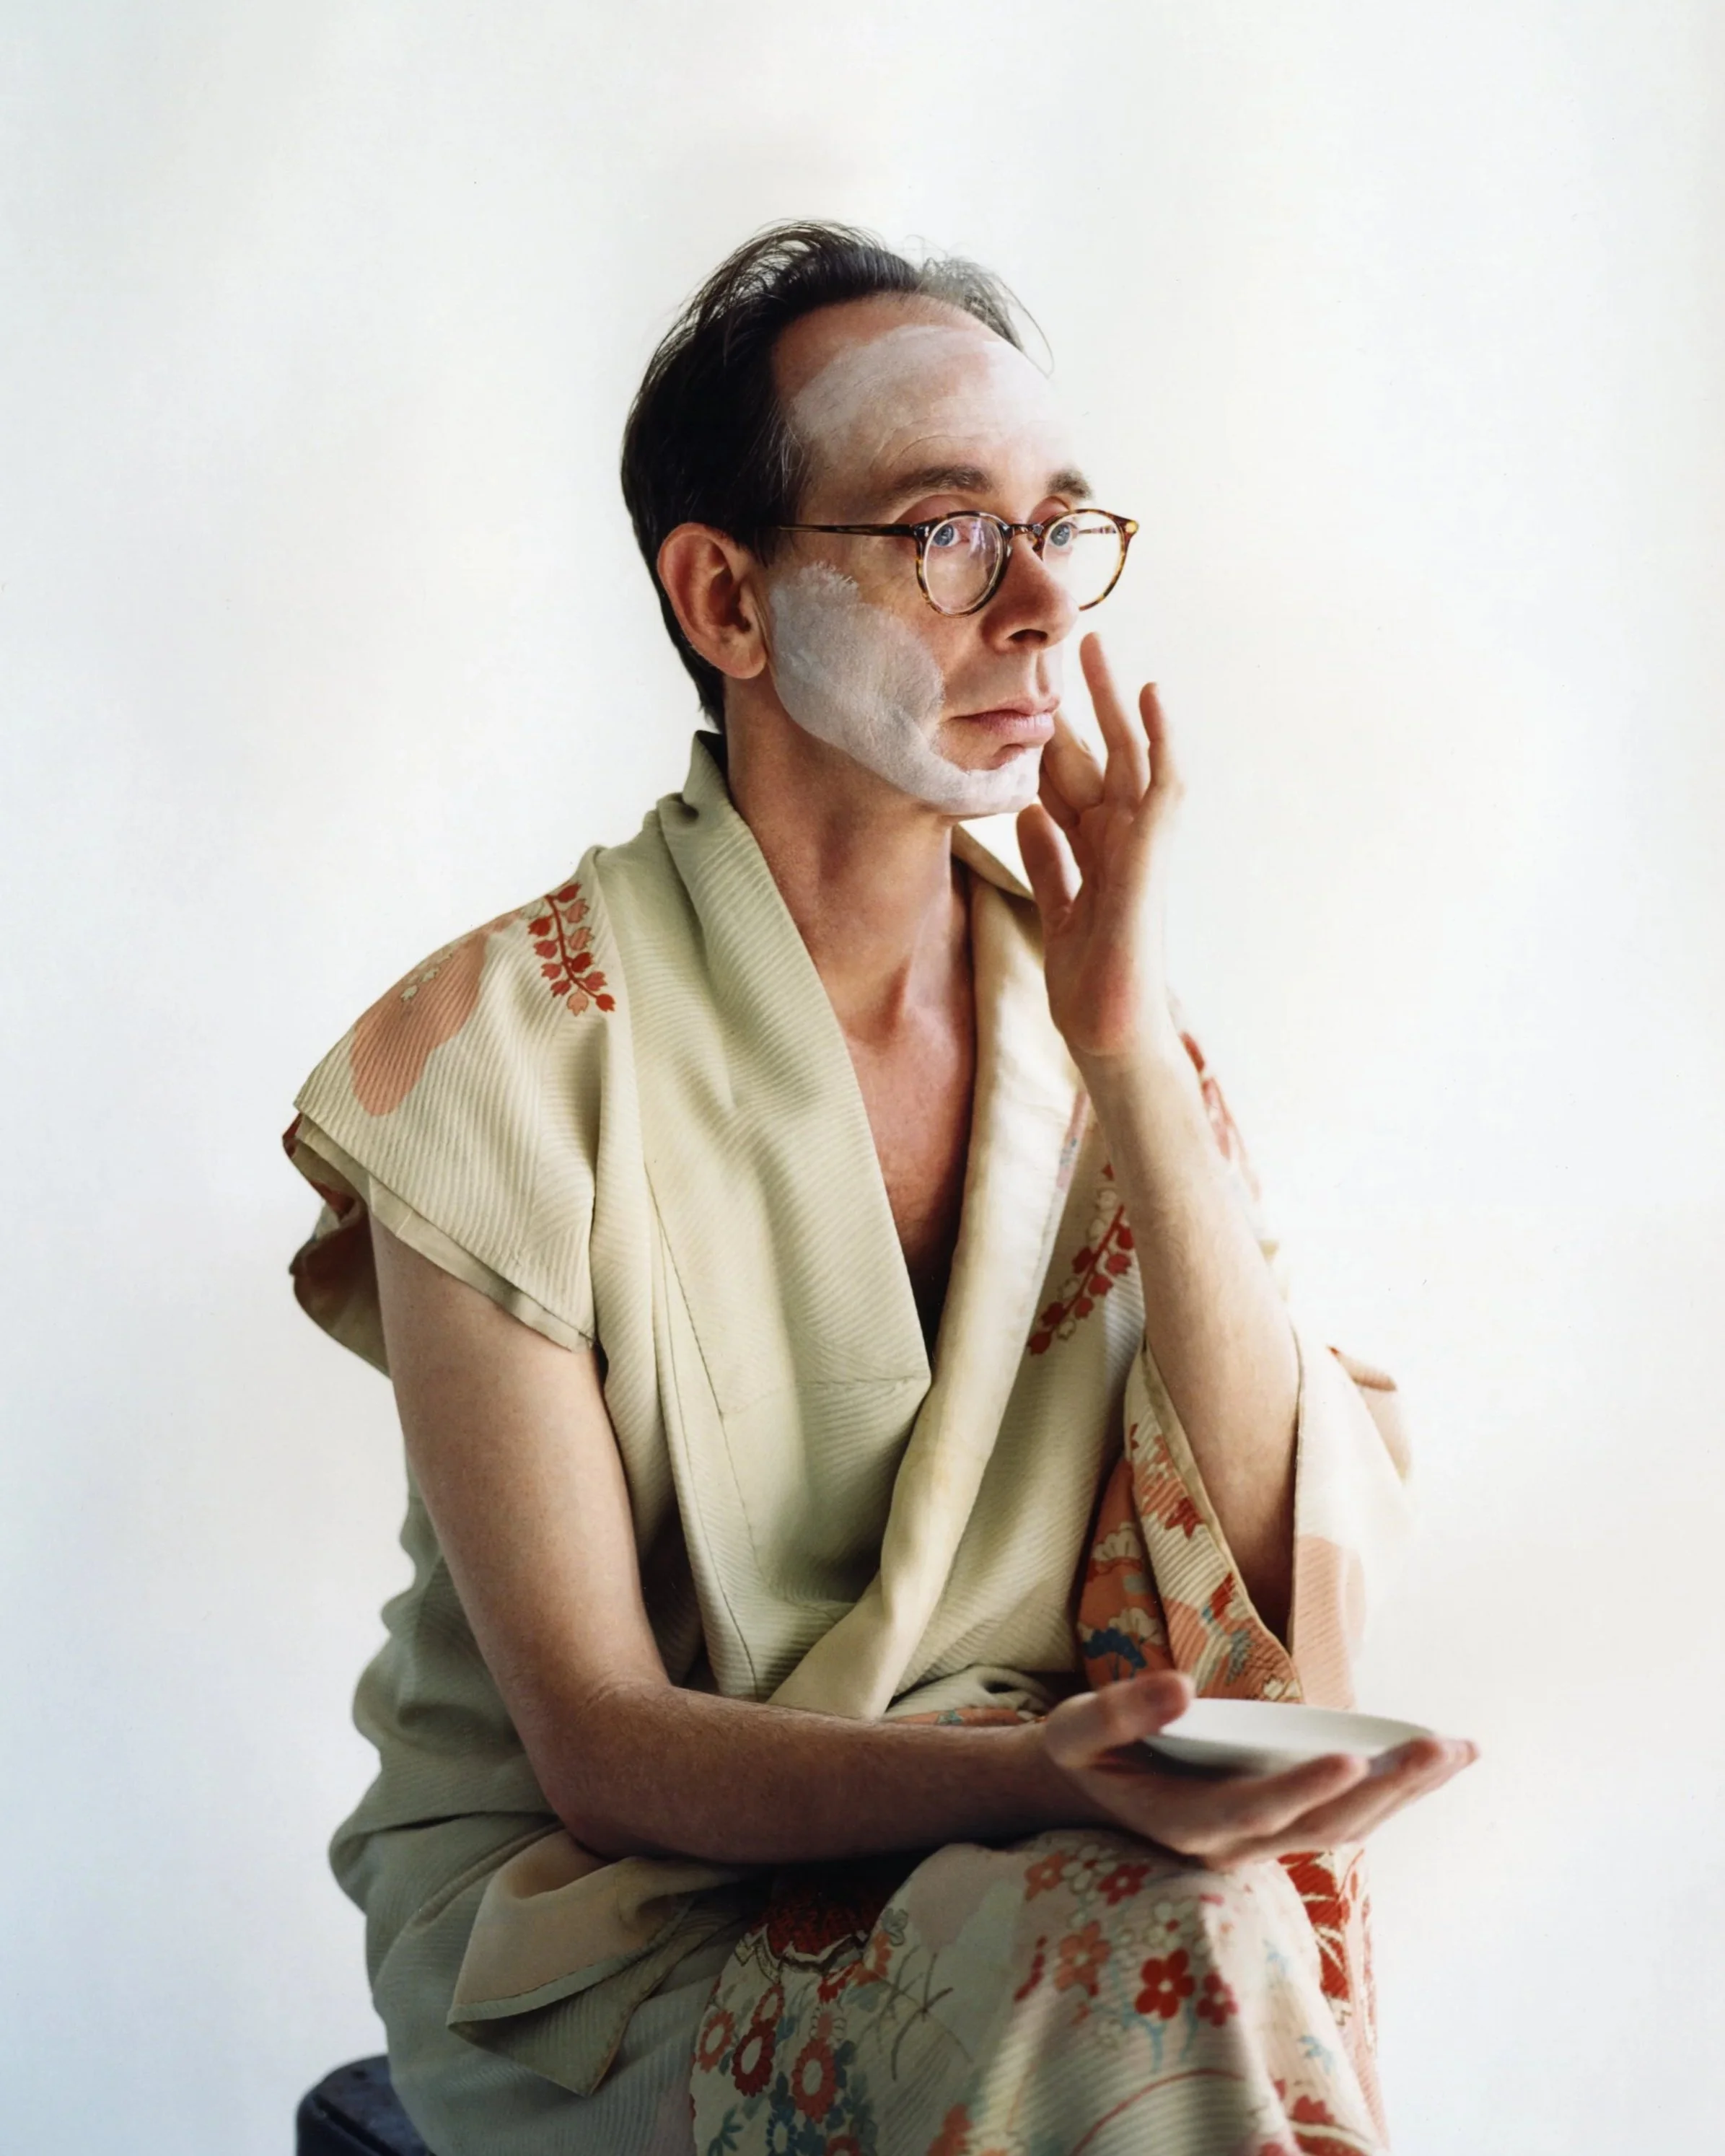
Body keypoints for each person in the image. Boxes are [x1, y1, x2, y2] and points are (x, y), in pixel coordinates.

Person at [283, 222, 1474, 2156]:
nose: (1035, 610)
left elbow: (1263, 1551)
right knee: (1145, 1956)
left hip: (1043, 1855)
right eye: (945, 534)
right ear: (725, 601)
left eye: (1060, 528)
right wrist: (1044, 1785)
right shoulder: (491, 1060)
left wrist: (1126, 1045)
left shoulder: (1083, 1020)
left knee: (1195, 1920)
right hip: (615, 1939)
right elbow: (593, 1746)